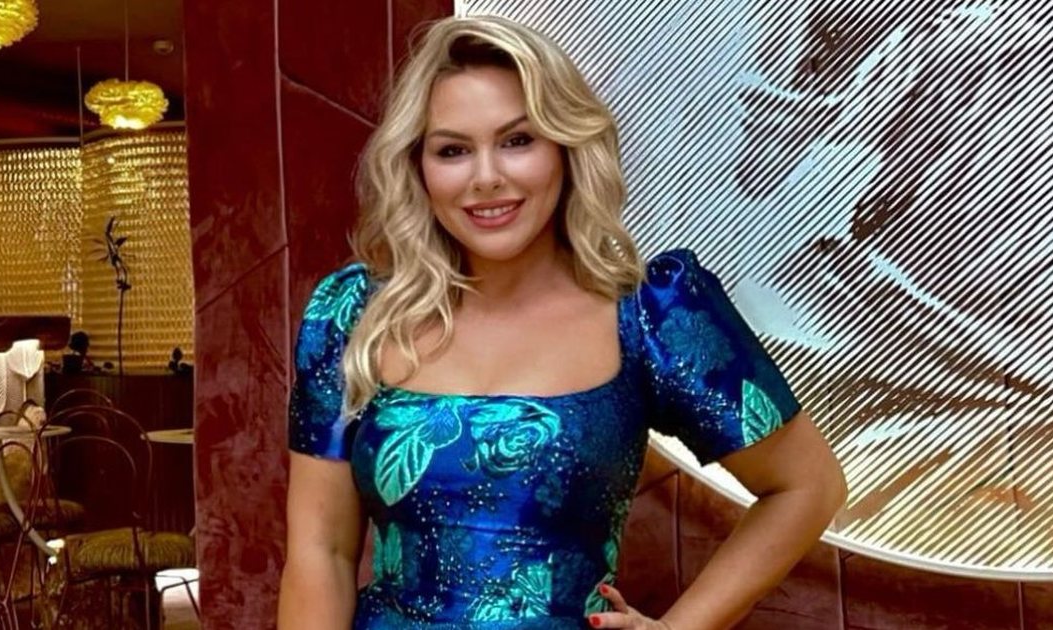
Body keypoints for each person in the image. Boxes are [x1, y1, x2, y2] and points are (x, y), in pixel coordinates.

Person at [278, 14, 847, 630]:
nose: (486, 178)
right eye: (452, 150)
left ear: (566, 148)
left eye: (517, 140)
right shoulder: (353, 314)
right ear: (418, 168)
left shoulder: (652, 315)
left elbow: (807, 486)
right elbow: (321, 553)